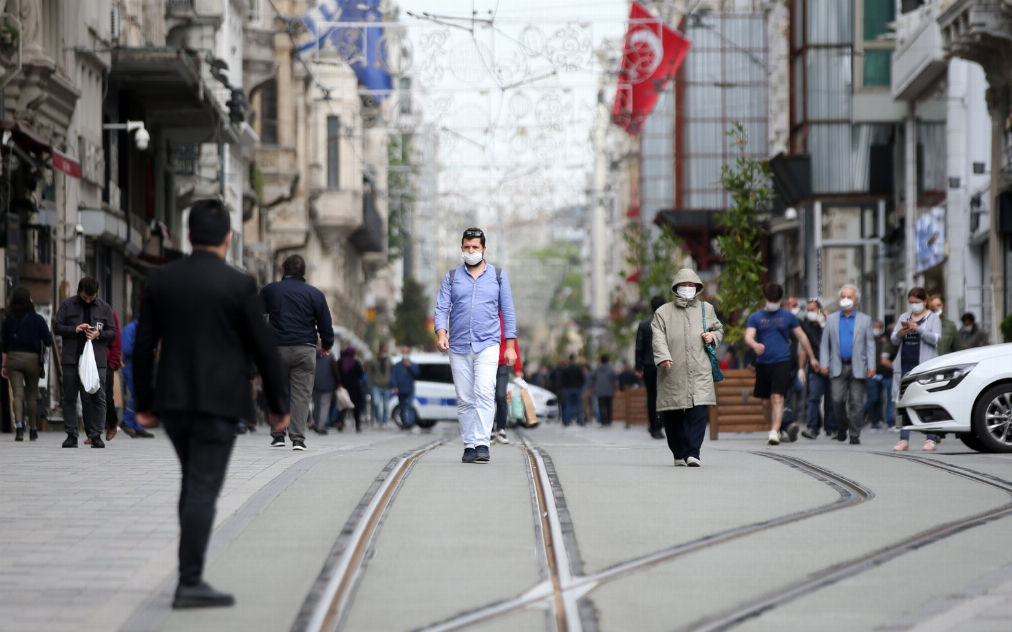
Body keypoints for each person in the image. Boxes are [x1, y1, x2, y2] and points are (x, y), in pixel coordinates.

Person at [133, 198, 289, 609]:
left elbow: (144, 345)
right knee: (203, 486)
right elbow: (264, 347)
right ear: (228, 237)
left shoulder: (161, 280)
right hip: (220, 402)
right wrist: (279, 406)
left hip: (174, 403)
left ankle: (190, 575)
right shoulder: (238, 284)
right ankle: (189, 582)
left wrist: (143, 403)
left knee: (193, 481)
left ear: (187, 236)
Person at [434, 227, 517, 464]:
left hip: (489, 343)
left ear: (484, 249)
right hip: (458, 345)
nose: (471, 251)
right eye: (467, 247)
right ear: (462, 248)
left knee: (484, 391)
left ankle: (482, 443)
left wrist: (509, 346)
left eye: (475, 247)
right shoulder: (451, 277)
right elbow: (441, 308)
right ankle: (469, 444)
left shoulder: (499, 276)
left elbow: (508, 312)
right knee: (465, 398)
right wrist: (441, 333)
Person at [261, 254, 334, 450]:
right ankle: (298, 438)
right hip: (305, 350)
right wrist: (327, 345)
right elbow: (325, 324)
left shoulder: (271, 290)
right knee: (301, 395)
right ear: (304, 272)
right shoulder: (315, 294)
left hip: (276, 349)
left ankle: (277, 435)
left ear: (284, 269)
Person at [651, 269, 724, 467]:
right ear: (676, 288)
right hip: (672, 369)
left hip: (700, 368)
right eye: (685, 285)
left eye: (692, 285)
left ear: (698, 287)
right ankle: (678, 452)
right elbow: (658, 337)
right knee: (672, 413)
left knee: (699, 411)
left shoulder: (706, 309)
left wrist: (713, 337)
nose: (688, 289)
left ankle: (694, 453)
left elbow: (718, 329)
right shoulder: (663, 312)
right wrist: (663, 357)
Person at [745, 283, 820, 446]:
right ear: (766, 299)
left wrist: (812, 358)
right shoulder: (756, 317)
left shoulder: (788, 316)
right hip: (763, 363)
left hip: (782, 361)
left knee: (777, 397)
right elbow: (748, 336)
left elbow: (802, 337)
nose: (773, 302)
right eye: (770, 299)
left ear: (780, 299)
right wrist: (754, 345)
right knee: (765, 402)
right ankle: (775, 428)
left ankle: (774, 431)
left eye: (776, 300)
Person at [53, 277, 117, 449]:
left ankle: (96, 435)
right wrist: (74, 329)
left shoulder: (104, 307)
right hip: (72, 358)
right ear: (78, 292)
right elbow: (57, 326)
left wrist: (99, 334)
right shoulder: (67, 305)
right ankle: (71, 435)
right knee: (70, 397)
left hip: (97, 360)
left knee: (98, 396)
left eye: (91, 298)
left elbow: (112, 331)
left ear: (97, 293)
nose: (88, 300)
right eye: (84, 298)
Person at [819, 284, 876, 445]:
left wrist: (871, 365)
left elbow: (870, 344)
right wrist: (824, 363)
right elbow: (825, 344)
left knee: (857, 402)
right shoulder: (831, 319)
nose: (845, 300)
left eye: (849, 297)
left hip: (858, 366)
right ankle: (843, 426)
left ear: (856, 300)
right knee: (837, 400)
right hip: (837, 365)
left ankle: (855, 433)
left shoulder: (865, 320)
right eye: (843, 296)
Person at [892, 287, 941, 452]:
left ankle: (931, 438)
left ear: (924, 301)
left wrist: (919, 329)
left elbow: (936, 338)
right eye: (911, 302)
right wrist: (900, 333)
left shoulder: (932, 317)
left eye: (917, 302)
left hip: (925, 366)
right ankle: (903, 438)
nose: (914, 305)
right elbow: (893, 339)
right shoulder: (903, 317)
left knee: (928, 402)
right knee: (904, 402)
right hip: (905, 365)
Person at [1, 287, 53, 441]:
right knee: (31, 395)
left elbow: (3, 346)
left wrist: (4, 366)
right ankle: (33, 429)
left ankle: (18, 427)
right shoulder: (38, 319)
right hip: (33, 360)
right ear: (30, 301)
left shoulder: (8, 319)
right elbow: (49, 341)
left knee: (17, 393)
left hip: (13, 358)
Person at [799, 299, 837, 440]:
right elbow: (804, 348)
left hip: (832, 367)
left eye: (813, 309)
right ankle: (812, 428)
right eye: (808, 310)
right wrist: (801, 368)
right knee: (814, 397)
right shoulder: (806, 326)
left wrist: (824, 326)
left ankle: (831, 427)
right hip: (815, 367)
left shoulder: (830, 323)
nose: (810, 313)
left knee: (831, 399)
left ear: (820, 310)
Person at [636, 296, 667, 439]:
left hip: (649, 365)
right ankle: (660, 425)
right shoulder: (668, 323)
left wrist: (638, 366)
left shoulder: (643, 324)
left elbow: (639, 347)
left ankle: (653, 427)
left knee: (652, 396)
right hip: (665, 364)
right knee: (664, 396)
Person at [119, 313, 154, 438]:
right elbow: (127, 349)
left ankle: (138, 425)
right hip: (130, 366)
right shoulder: (130, 329)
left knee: (141, 394)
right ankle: (127, 422)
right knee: (136, 394)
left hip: (140, 366)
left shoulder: (141, 329)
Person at [493, 314, 522, 444]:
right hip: (486, 363)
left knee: (500, 395)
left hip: (503, 364)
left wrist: (518, 369)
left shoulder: (506, 319)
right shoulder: (486, 315)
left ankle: (500, 429)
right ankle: (487, 430)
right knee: (486, 396)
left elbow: (514, 345)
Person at [862, 320, 894, 431]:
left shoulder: (884, 340)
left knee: (879, 399)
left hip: (881, 374)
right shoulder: (867, 340)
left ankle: (875, 422)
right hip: (870, 373)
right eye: (875, 326)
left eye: (879, 326)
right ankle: (860, 416)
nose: (877, 328)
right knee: (873, 397)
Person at [102, 310, 123, 441]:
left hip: (106, 362)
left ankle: (112, 421)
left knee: (107, 397)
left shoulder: (109, 313)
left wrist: (114, 362)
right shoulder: (80, 311)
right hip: (87, 360)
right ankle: (93, 433)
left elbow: (116, 340)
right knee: (88, 397)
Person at [312, 339, 340, 435]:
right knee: (324, 405)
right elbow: (335, 370)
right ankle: (320, 426)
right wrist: (338, 383)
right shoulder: (330, 356)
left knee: (316, 405)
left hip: (314, 383)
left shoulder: (312, 355)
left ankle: (316, 423)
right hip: (327, 384)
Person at [338, 346, 366, 432]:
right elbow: (361, 375)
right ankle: (357, 425)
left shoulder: (340, 362)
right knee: (356, 407)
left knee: (342, 406)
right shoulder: (356, 363)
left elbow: (337, 374)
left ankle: (340, 422)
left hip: (343, 387)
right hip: (355, 388)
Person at [392, 346, 420, 429]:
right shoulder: (397, 365)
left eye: (406, 352)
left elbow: (417, 374)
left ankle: (410, 423)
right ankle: (404, 423)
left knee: (411, 406)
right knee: (402, 407)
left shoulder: (413, 364)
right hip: (400, 390)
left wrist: (409, 366)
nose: (405, 354)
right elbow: (394, 377)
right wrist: (395, 386)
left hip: (409, 389)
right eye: (403, 352)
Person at [365, 344, 393, 427]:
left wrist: (393, 384)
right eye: (385, 350)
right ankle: (378, 419)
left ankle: (384, 421)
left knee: (386, 405)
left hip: (387, 386)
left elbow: (392, 371)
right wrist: (369, 384)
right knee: (376, 403)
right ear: (380, 350)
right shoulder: (374, 360)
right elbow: (369, 372)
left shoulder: (389, 360)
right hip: (377, 385)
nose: (386, 352)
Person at [590, 354, 617, 426]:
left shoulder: (597, 369)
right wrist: (616, 389)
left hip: (599, 390)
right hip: (609, 390)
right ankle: (609, 420)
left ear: (601, 360)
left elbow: (592, 379)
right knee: (609, 406)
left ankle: (603, 421)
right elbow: (614, 380)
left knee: (601, 406)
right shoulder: (611, 369)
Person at [560, 354, 586, 426]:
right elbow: (582, 379)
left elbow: (563, 380)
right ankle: (580, 420)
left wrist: (566, 386)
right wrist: (580, 386)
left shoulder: (566, 369)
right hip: (577, 388)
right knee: (578, 405)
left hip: (569, 388)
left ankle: (567, 420)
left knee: (568, 405)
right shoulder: (578, 369)